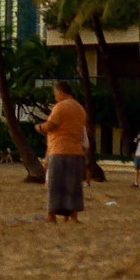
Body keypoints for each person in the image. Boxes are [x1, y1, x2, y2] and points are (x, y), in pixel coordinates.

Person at [39, 79, 87, 224]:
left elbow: (51, 125)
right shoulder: (80, 108)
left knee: (55, 184)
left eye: (55, 94)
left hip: (59, 149)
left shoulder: (60, 107)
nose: (55, 97)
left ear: (61, 92)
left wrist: (39, 128)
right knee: (73, 185)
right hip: (76, 151)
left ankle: (51, 215)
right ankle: (73, 216)